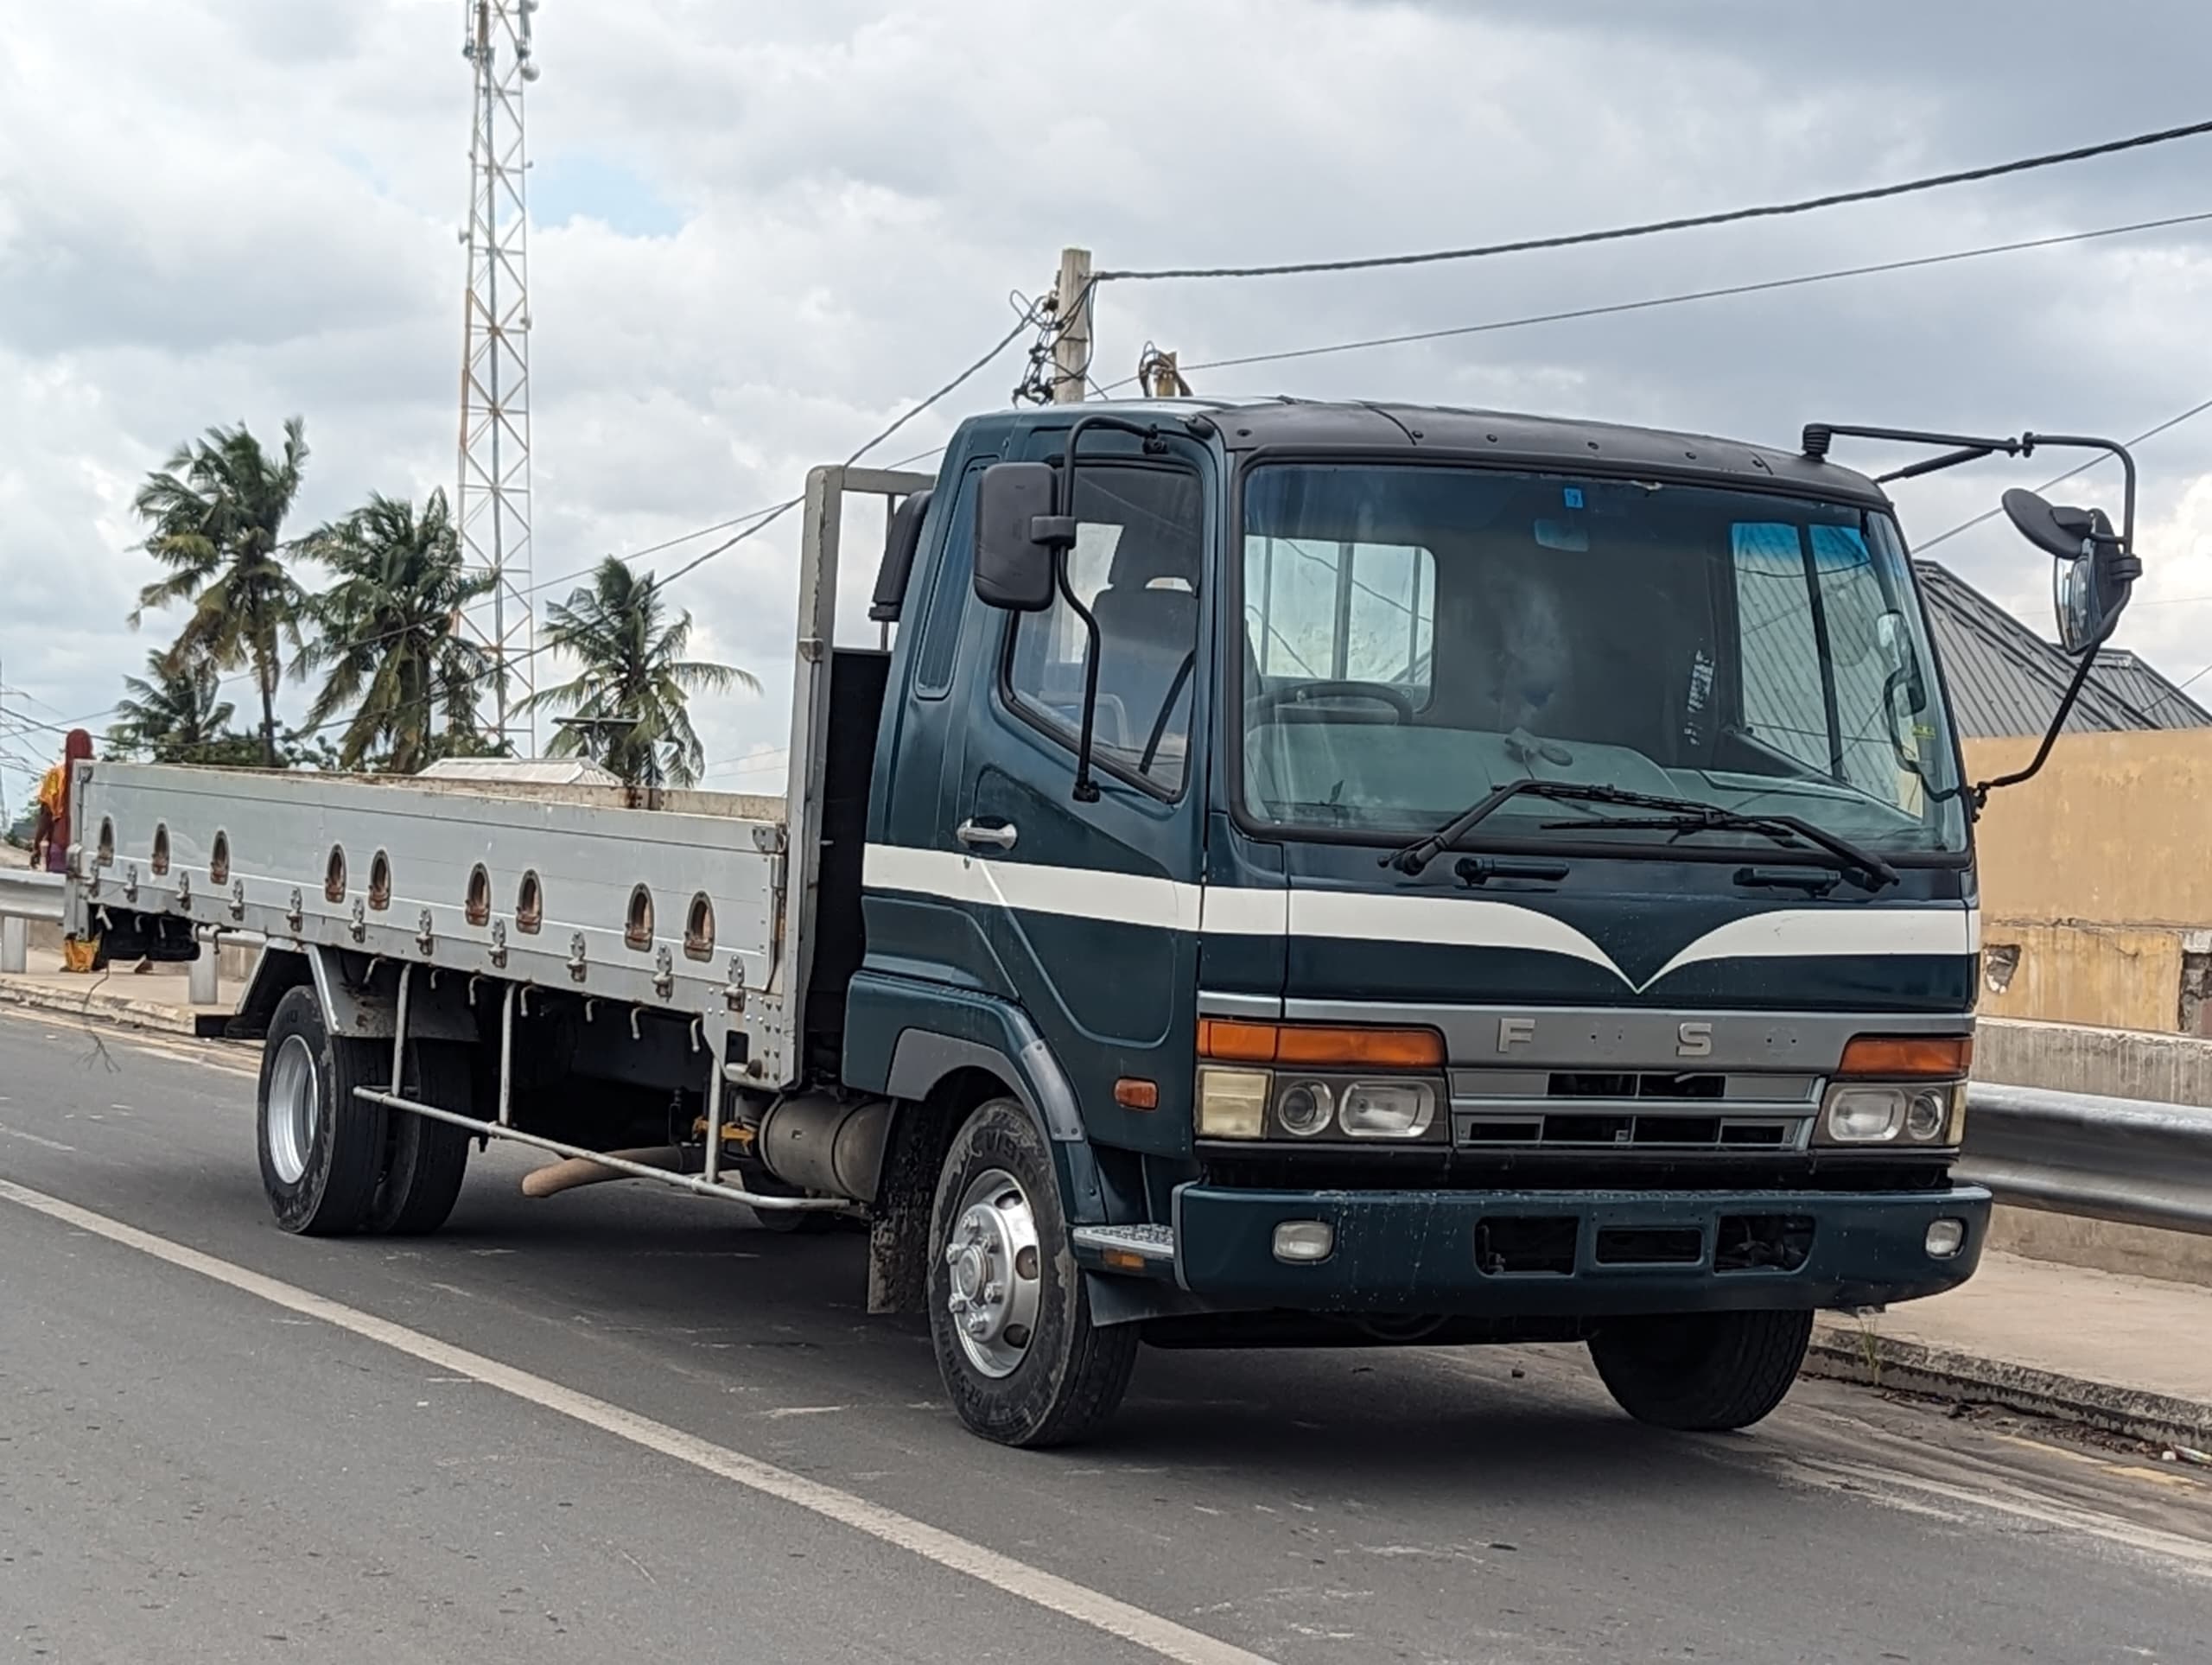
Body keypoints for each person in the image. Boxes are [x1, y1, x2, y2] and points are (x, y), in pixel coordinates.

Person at [29, 730, 92, 874]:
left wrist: (37, 847)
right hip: (90, 851)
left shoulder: (56, 775)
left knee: (57, 895)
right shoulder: (99, 777)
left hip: (60, 846)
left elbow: (45, 816)